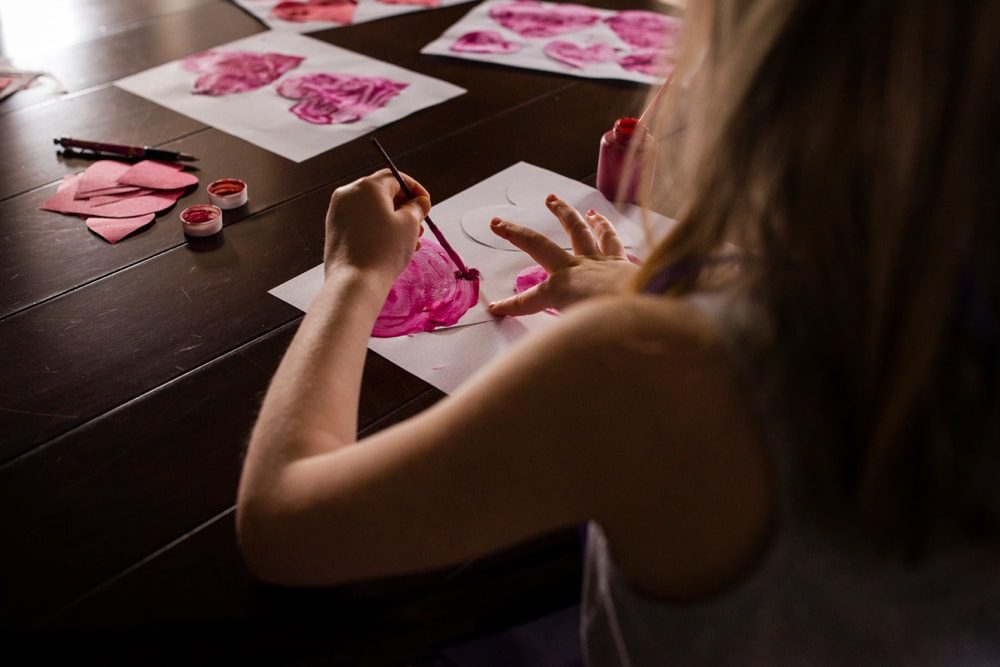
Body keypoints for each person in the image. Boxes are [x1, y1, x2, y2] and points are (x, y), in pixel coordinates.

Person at [237, 0, 1000, 662]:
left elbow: (283, 523)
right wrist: (637, 287)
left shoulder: (653, 369)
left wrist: (353, 276)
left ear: (761, 81)